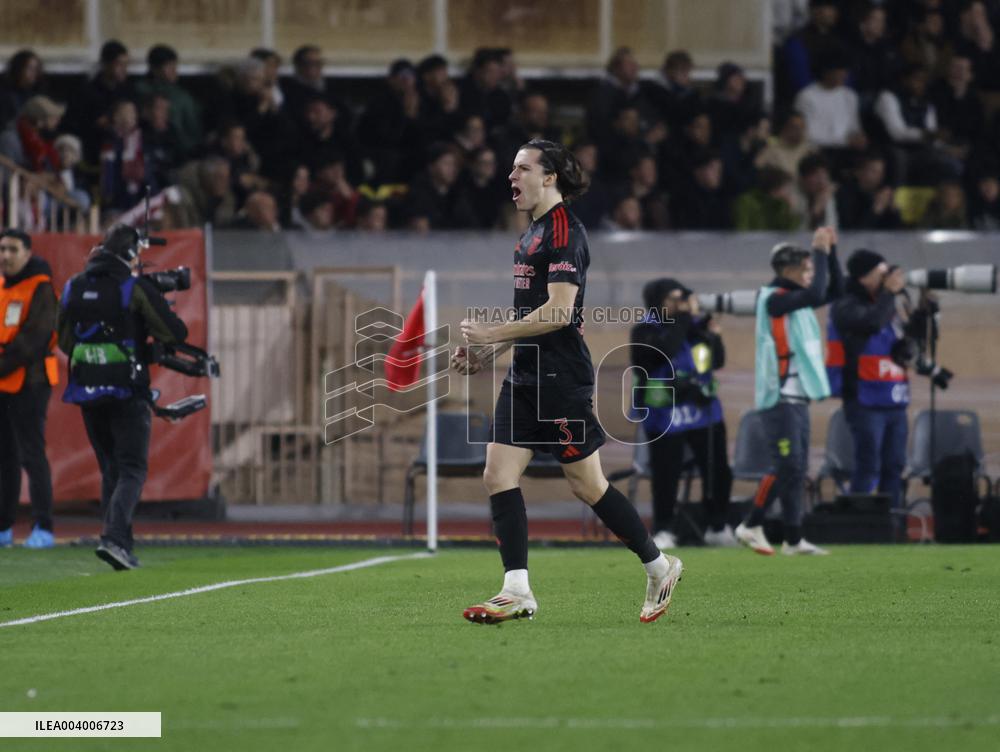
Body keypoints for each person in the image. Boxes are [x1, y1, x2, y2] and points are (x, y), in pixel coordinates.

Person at [453, 139, 682, 624]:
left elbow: (558, 313)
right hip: (525, 375)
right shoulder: (530, 233)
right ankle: (516, 589)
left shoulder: (565, 233)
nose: (511, 177)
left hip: (560, 379)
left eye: (521, 168)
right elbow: (529, 316)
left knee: (588, 485)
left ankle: (660, 566)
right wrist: (488, 351)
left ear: (550, 176)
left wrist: (492, 331)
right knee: (497, 475)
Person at [57, 224, 188, 570]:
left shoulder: (73, 286)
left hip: (86, 389)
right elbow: (174, 332)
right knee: (132, 469)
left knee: (111, 469)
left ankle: (120, 544)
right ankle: (114, 539)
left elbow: (65, 342)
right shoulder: (134, 288)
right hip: (128, 390)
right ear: (131, 255)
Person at [735, 226, 843, 556]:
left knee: (795, 469)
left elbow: (833, 290)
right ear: (788, 270)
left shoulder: (794, 301)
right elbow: (816, 294)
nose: (812, 275)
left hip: (798, 397)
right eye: (807, 268)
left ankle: (793, 539)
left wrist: (832, 252)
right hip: (779, 397)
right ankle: (751, 524)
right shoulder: (774, 300)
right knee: (788, 466)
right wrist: (820, 251)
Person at [630, 278, 735, 549]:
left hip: (702, 412)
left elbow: (715, 360)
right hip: (665, 416)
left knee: (718, 470)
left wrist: (714, 335)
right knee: (667, 473)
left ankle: (717, 524)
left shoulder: (693, 329)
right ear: (657, 302)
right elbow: (665, 351)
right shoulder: (644, 331)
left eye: (682, 298)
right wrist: (686, 319)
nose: (679, 304)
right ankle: (664, 528)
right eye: (672, 299)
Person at [828, 250, 913, 511]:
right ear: (864, 277)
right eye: (881, 272)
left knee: (894, 465)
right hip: (864, 399)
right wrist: (889, 294)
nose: (888, 277)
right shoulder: (846, 304)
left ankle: (892, 523)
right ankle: (859, 525)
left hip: (894, 398)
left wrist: (924, 310)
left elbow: (909, 345)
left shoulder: (889, 304)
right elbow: (872, 322)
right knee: (868, 465)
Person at [0, 229, 58, 549]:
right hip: (4, 381)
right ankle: (4, 526)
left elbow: (34, 340)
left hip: (31, 382)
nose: (5, 255)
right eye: (2, 249)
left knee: (31, 454)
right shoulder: (2, 288)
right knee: (4, 457)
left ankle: (43, 526)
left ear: (27, 252)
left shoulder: (41, 287)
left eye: (12, 249)